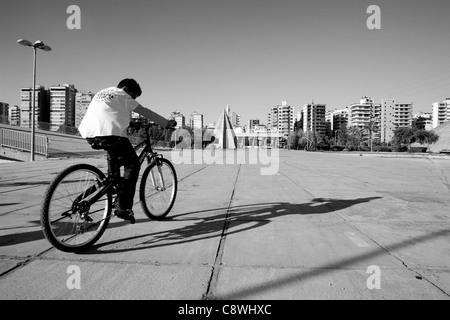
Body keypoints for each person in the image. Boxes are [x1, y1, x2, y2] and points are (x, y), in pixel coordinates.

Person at [78, 78, 176, 224]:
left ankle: (109, 186)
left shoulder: (102, 93)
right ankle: (123, 207)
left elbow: (108, 113)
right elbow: (145, 111)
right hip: (109, 133)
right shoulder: (123, 95)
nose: (133, 99)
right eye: (134, 96)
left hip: (89, 133)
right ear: (126, 88)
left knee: (113, 173)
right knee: (133, 165)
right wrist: (165, 123)